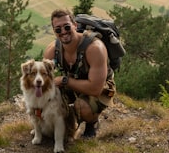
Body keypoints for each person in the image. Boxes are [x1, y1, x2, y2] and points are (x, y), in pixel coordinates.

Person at [43, 9, 116, 138]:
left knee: (82, 107)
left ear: (75, 25)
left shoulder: (94, 48)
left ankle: (91, 123)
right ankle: (65, 121)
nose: (63, 32)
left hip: (99, 86)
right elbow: (44, 82)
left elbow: (95, 89)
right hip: (72, 82)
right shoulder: (52, 50)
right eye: (58, 29)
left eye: (67, 27)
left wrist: (64, 81)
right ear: (54, 31)